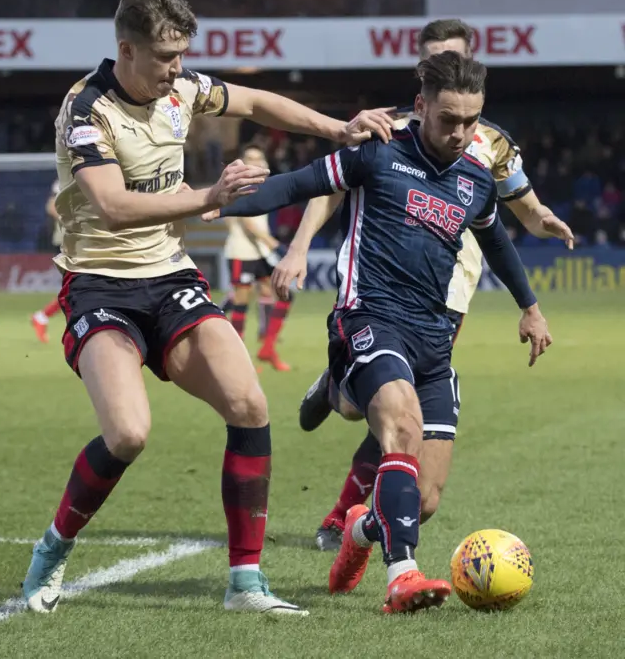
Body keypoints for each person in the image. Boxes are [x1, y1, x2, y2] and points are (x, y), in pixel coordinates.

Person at [20, 0, 396, 617]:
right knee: (130, 433)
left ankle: (245, 583)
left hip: (170, 279)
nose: (177, 69)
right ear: (126, 50)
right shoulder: (85, 109)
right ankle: (54, 548)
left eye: (181, 55)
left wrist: (339, 127)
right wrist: (208, 197)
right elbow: (112, 208)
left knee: (250, 404)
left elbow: (252, 100)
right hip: (100, 288)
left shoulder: (181, 89)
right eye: (165, 57)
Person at [204, 51, 552, 613]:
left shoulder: (476, 179)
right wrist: (219, 199)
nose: (460, 133)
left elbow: (496, 243)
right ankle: (403, 576)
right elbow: (300, 183)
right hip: (369, 316)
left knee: (424, 497)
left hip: (433, 341)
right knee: (402, 427)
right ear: (420, 107)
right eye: (447, 119)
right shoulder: (378, 151)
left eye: (470, 120)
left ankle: (361, 530)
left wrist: (529, 306)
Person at [269, 18, 574, 552]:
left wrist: (544, 221)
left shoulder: (493, 142)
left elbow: (520, 213)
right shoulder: (385, 127)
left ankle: (348, 496)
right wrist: (298, 245)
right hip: (385, 282)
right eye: (429, 59)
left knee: (402, 413)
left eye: (449, 56)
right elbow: (331, 183)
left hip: (449, 289)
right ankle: (352, 513)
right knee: (395, 408)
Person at [221, 144, 292, 371]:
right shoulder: (239, 186)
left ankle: (268, 348)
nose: (254, 162)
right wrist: (274, 244)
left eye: (258, 158)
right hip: (242, 252)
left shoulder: (263, 187)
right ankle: (237, 359)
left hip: (260, 253)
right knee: (241, 304)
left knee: (281, 294)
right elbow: (248, 223)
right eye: (249, 158)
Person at [31, 179, 64, 343]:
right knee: (75, 288)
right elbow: (51, 206)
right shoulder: (64, 179)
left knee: (76, 288)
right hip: (66, 240)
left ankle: (41, 317)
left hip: (82, 239)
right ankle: (42, 316)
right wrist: (71, 221)